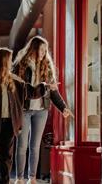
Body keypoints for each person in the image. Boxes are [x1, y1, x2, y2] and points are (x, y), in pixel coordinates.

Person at [0, 47, 56, 184]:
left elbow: (31, 92)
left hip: (10, 123)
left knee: (6, 155)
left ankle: (4, 181)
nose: (11, 62)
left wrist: (45, 87)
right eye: (9, 59)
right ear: (3, 61)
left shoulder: (15, 80)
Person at [13, 36, 73, 184]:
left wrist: (63, 107)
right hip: (24, 110)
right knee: (22, 145)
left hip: (41, 111)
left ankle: (31, 178)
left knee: (35, 146)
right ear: (33, 48)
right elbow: (15, 89)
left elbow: (53, 91)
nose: (43, 53)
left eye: (45, 50)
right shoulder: (20, 65)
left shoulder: (46, 67)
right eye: (41, 49)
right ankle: (19, 178)